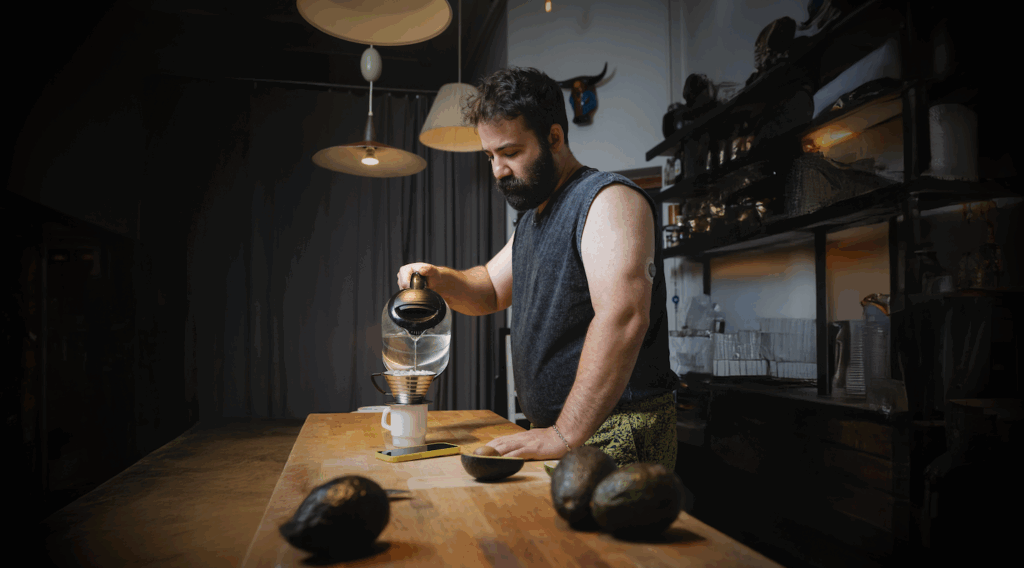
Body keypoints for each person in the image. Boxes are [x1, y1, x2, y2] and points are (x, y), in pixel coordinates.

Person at [397, 66, 677, 469]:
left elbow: (625, 317)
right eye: (490, 156)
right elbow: (490, 289)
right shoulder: (534, 218)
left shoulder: (608, 200)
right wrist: (440, 279)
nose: (498, 170)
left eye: (510, 153)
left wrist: (563, 433)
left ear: (554, 137)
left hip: (616, 430)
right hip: (568, 433)